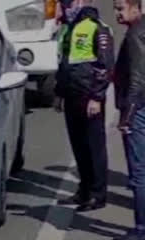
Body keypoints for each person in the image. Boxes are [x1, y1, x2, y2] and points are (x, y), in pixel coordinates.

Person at [54, 0, 115, 211]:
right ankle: (84, 190)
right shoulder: (68, 29)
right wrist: (59, 94)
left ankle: (98, 194)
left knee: (94, 147)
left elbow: (105, 65)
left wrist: (97, 97)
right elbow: (64, 65)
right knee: (78, 146)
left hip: (89, 97)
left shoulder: (97, 27)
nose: (62, 8)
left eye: (66, 3)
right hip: (71, 95)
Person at [114, 0, 145, 240]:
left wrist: (127, 115)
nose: (117, 13)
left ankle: (141, 227)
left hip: (139, 109)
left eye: (120, 8)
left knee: (139, 173)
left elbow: (137, 78)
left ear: (136, 8)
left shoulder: (136, 35)